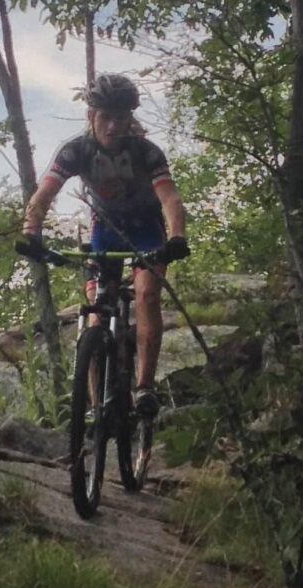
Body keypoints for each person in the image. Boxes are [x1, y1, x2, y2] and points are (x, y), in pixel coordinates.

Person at [16, 73, 188, 417]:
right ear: (90, 117)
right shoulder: (76, 151)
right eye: (105, 117)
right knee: (96, 316)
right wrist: (30, 232)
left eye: (121, 118)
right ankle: (96, 406)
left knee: (147, 295)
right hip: (105, 231)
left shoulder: (146, 152)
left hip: (146, 231)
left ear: (130, 119)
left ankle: (144, 388)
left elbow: (169, 199)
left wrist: (176, 238)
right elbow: (45, 193)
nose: (113, 126)